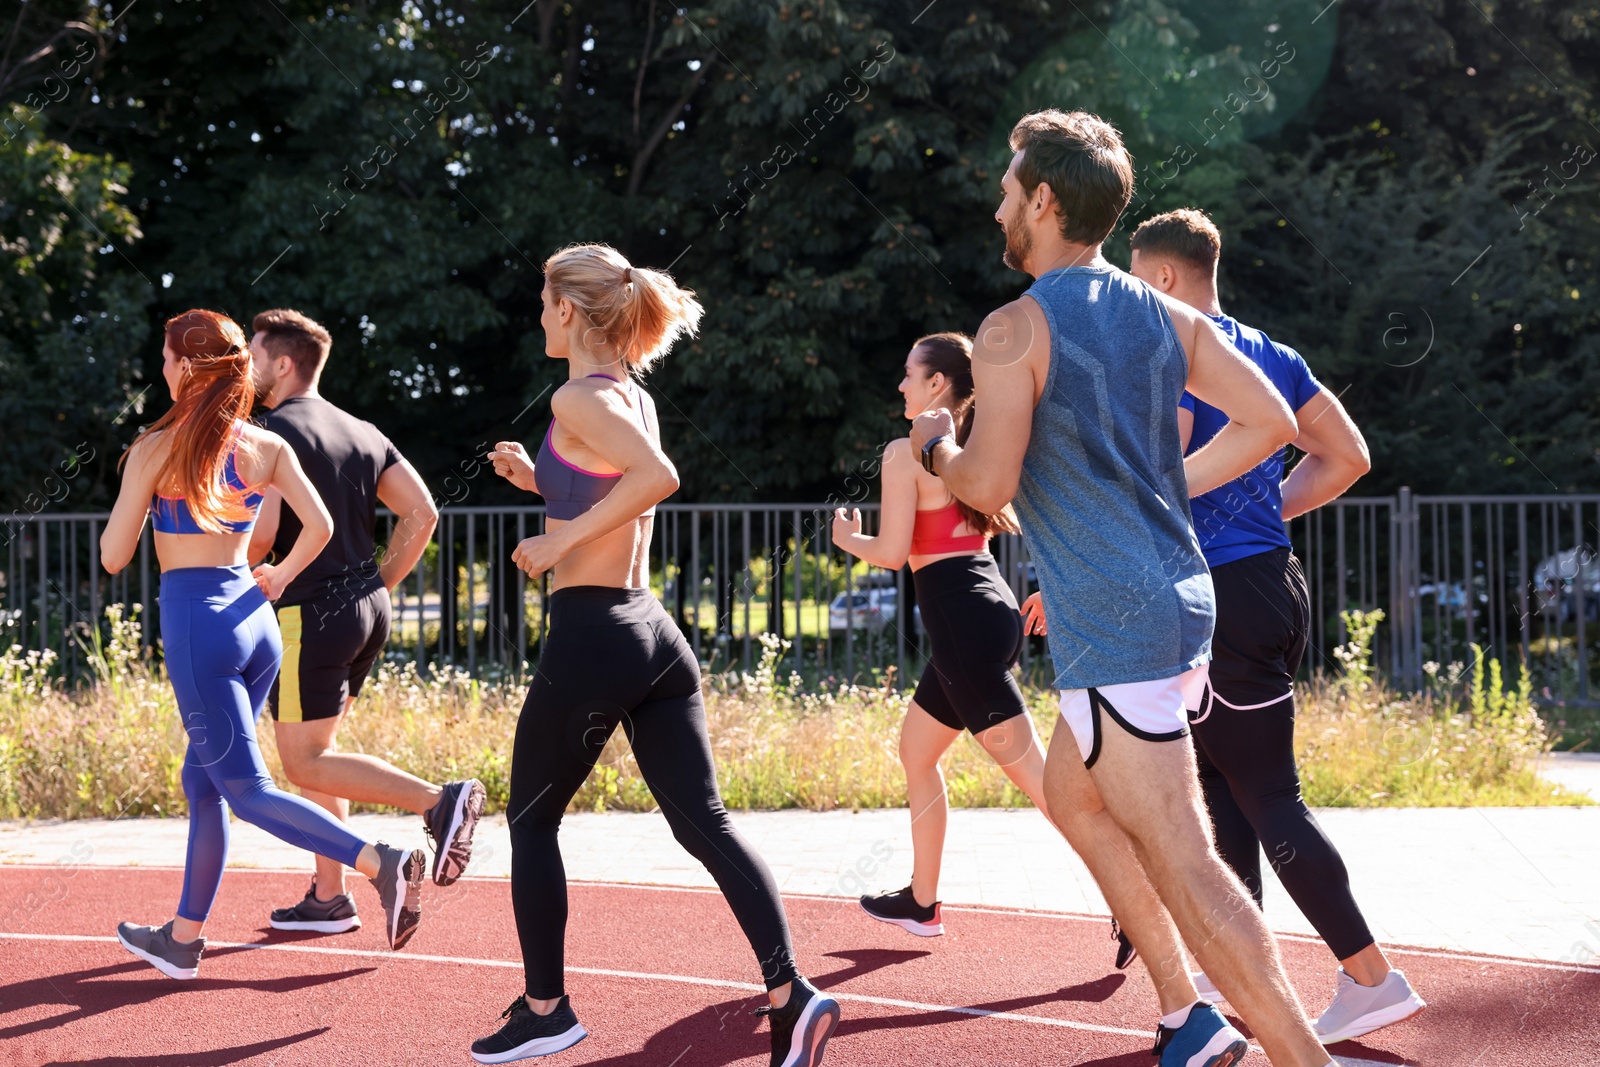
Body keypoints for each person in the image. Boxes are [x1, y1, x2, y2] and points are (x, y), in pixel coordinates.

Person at [910, 110, 1339, 1067]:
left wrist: (935, 443)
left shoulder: (1014, 327)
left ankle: (1302, 1056)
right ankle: (1187, 1011)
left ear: (1046, 200)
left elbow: (984, 484)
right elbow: (1270, 422)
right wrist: (1165, 483)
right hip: (1179, 604)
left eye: (1010, 191)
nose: (998, 207)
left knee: (1189, 861)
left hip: (1119, 620)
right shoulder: (1163, 310)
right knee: (1076, 797)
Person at [473, 244, 839, 1065]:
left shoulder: (575, 394)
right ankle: (792, 995)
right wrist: (541, 480)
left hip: (595, 635)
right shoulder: (627, 396)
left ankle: (546, 1009)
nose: (537, 314)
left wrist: (559, 533)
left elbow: (658, 478)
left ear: (569, 309)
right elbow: (618, 484)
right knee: (705, 822)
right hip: (651, 634)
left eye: (542, 300)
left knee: (530, 820)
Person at [1127, 208, 1424, 1046]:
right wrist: (1264, 512)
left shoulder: (1180, 356)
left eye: (1132, 283)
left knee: (1269, 800)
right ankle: (1246, 995)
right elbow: (1350, 454)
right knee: (1222, 801)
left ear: (1164, 279)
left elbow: (1160, 483)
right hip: (1267, 583)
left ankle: (1371, 977)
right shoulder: (1272, 353)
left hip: (1220, 594)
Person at [100, 309, 425, 980]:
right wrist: (278, 573)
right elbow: (323, 523)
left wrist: (139, 495)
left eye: (165, 358)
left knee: (245, 789)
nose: (161, 368)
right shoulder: (263, 445)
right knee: (203, 779)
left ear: (186, 368)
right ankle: (183, 937)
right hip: (257, 623)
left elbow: (111, 555)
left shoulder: (153, 448)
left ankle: (379, 863)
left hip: (199, 627)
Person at [246, 308, 485, 932]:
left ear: (282, 362)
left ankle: (439, 803)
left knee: (301, 762)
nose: (245, 366)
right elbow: (424, 513)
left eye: (251, 354)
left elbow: (265, 533)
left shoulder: (269, 432)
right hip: (365, 609)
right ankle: (329, 897)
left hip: (310, 613)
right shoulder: (362, 429)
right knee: (321, 752)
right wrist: (378, 583)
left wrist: (229, 562)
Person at [830, 332, 1051, 938]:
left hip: (964, 628)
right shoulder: (977, 446)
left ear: (936, 384)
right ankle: (921, 902)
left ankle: (1131, 902)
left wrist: (849, 541)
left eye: (909, 373)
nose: (900, 384)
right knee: (917, 752)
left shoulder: (907, 452)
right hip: (987, 613)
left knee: (1042, 781)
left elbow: (895, 552)